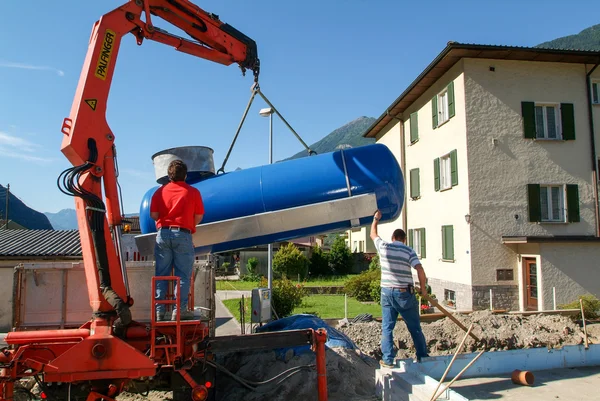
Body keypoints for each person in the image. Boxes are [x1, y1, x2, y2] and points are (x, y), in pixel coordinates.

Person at [370, 209, 429, 367]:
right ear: (404, 239)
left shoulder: (384, 246)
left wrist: (376, 219)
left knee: (387, 328)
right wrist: (423, 289)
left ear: (393, 238)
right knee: (415, 327)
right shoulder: (409, 250)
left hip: (387, 292)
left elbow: (373, 234)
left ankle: (388, 359)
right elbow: (420, 270)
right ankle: (423, 357)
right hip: (404, 293)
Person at [150, 160, 204, 321]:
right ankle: (178, 311)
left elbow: (153, 215)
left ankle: (159, 312)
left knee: (162, 274)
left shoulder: (159, 192)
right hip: (183, 234)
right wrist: (188, 224)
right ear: (185, 176)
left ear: (169, 175)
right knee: (183, 276)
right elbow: (199, 216)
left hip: (163, 234)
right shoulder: (193, 192)